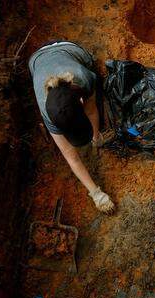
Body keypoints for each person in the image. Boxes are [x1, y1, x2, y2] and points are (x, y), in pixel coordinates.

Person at [28, 40, 115, 212]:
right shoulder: (48, 113)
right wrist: (96, 194)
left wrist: (96, 138)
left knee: (92, 66)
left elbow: (91, 111)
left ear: (81, 101)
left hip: (69, 48)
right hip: (36, 60)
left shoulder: (83, 78)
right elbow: (71, 157)